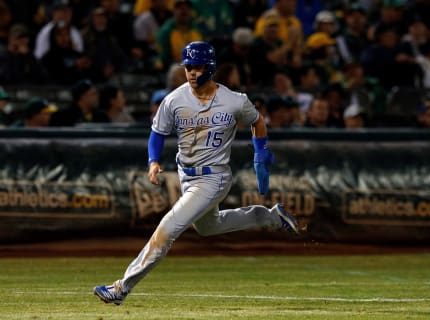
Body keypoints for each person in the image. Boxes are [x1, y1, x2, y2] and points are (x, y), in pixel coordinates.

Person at [93, 41, 299, 305]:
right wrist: (153, 161)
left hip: (215, 177)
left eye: (197, 67)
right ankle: (271, 216)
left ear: (210, 68)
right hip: (186, 175)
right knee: (208, 227)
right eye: (188, 66)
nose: (191, 72)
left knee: (166, 230)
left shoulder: (234, 101)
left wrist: (261, 152)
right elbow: (157, 132)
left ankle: (121, 288)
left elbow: (257, 121)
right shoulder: (175, 99)